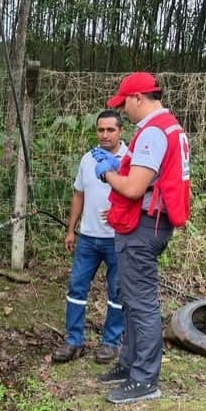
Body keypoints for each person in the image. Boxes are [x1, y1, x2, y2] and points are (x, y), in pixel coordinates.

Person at [94, 72, 190, 404]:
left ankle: (144, 379)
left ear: (138, 98)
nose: (123, 110)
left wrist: (107, 173)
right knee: (131, 299)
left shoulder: (152, 132)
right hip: (152, 223)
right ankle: (130, 364)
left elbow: (134, 188)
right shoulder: (171, 128)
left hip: (144, 225)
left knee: (142, 303)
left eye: (124, 103)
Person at [52, 110, 127, 365]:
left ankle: (110, 343)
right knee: (77, 287)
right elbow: (79, 194)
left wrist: (119, 212)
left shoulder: (130, 159)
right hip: (88, 237)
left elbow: (138, 194)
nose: (105, 135)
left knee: (117, 291)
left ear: (121, 131)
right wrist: (71, 229)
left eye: (110, 130)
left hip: (118, 238)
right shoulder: (88, 159)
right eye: (101, 130)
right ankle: (74, 341)